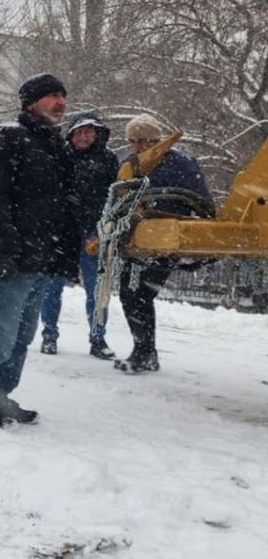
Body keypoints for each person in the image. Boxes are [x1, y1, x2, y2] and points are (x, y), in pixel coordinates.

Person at [0, 73, 80, 428]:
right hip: (9, 259)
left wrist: (63, 255)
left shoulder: (55, 146)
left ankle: (0, 397)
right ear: (31, 102)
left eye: (63, 96)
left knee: (21, 337)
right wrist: (4, 249)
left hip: (39, 260)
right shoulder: (4, 137)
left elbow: (63, 207)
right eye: (53, 95)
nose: (61, 102)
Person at [113, 114, 212, 373]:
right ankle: (145, 352)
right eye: (132, 141)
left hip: (165, 240)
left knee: (140, 294)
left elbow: (203, 202)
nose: (136, 146)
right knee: (130, 294)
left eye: (142, 141)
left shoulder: (180, 163)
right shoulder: (132, 164)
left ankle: (144, 353)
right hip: (138, 240)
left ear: (155, 139)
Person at [36, 112, 119, 360]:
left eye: (89, 131)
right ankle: (49, 335)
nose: (84, 136)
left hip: (94, 232)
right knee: (52, 287)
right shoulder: (60, 156)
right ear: (71, 135)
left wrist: (106, 224)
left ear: (97, 134)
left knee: (97, 289)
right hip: (61, 232)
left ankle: (98, 338)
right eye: (79, 132)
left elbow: (115, 195)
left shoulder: (108, 160)